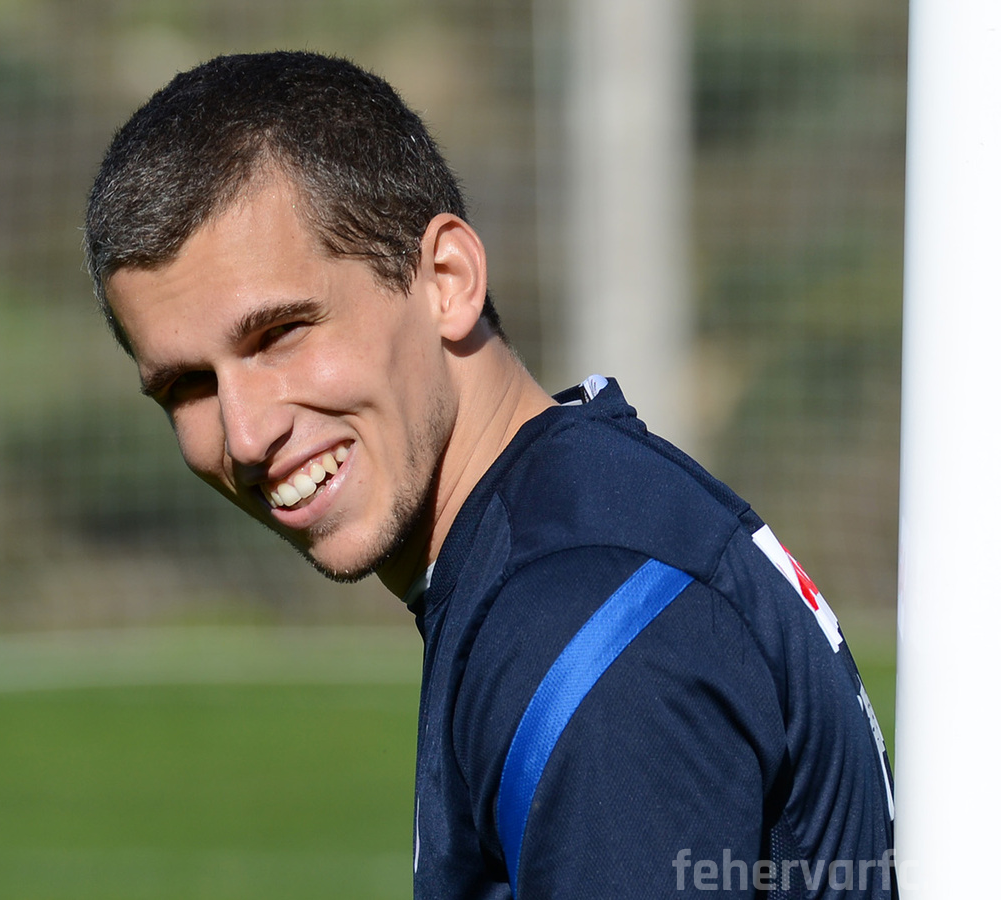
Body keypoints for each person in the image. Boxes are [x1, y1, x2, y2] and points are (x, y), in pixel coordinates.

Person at [84, 51, 895, 898]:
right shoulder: (577, 530)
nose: (247, 434)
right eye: (188, 386)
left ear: (447, 281)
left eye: (280, 333)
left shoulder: (587, 623)